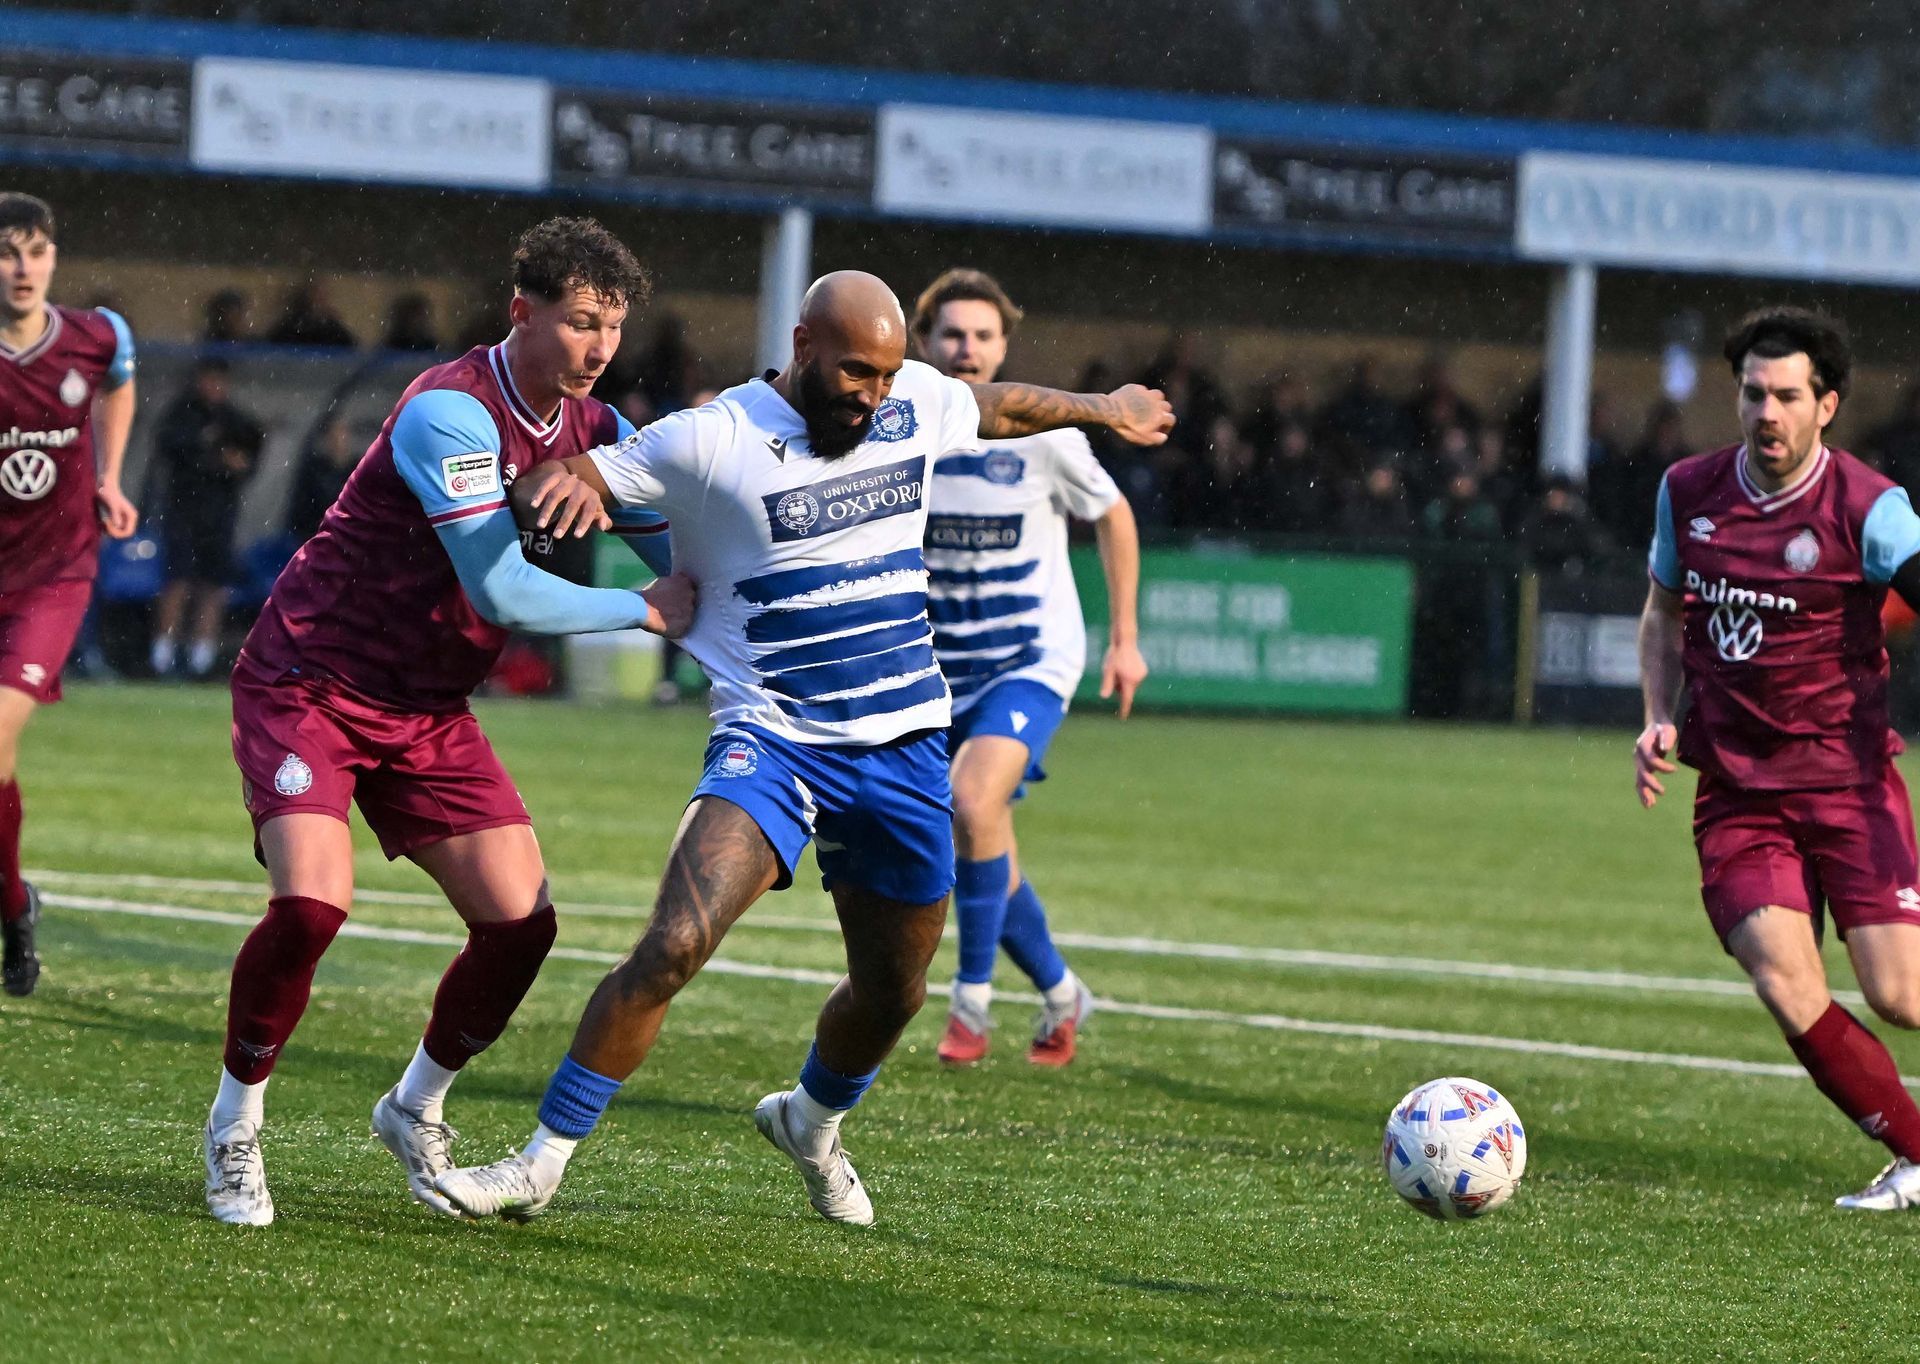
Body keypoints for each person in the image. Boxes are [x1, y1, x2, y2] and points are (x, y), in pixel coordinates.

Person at [432, 270, 1172, 1226]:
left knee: (893, 991)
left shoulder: (913, 401)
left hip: (905, 743)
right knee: (672, 944)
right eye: (857, 373)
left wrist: (1105, 408)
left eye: (887, 375)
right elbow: (579, 474)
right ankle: (540, 1162)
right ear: (803, 345)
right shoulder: (713, 435)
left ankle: (812, 1123)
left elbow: (1000, 406)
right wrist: (551, 489)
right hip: (771, 740)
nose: (873, 396)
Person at [202, 217, 695, 1228]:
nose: (601, 346)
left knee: (521, 926)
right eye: (581, 321)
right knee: (312, 906)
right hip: (311, 680)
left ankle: (413, 1104)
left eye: (613, 326)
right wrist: (645, 610)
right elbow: (503, 589)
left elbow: (682, 553)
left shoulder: (600, 431)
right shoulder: (450, 412)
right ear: (523, 311)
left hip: (426, 708)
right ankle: (234, 1124)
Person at [1636, 306, 1920, 1211]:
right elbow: (1662, 614)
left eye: (1788, 396)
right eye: (1753, 393)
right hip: (1740, 795)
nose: (1768, 412)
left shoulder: (1870, 508)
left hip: (1850, 786)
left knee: (1902, 997)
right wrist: (1657, 718)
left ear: (1826, 405)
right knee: (1786, 983)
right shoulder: (1689, 490)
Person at [908, 267, 1146, 1066]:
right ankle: (1061, 990)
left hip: (1032, 656)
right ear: (924, 342)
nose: (967, 348)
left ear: (1004, 346)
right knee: (979, 833)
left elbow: (1113, 513)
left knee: (972, 800)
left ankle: (970, 1004)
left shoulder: (1045, 434)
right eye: (952, 334)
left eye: (982, 335)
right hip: (939, 669)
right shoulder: (905, 430)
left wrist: (1124, 638)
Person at [0, 192, 139, 997]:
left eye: (36, 250)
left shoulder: (96, 335)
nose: (23, 267)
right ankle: (14, 906)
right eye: (7, 251)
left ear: (53, 257)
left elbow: (119, 381)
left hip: (53, 578)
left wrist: (110, 475)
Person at [148, 357, 265, 678]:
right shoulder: (181, 414)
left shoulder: (235, 420)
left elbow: (249, 455)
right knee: (177, 580)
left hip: (220, 513)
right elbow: (170, 446)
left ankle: (202, 657)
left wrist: (234, 462)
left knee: (213, 584)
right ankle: (162, 654)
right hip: (183, 511)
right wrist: (206, 449)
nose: (214, 387)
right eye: (209, 379)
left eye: (219, 380)